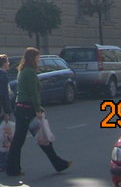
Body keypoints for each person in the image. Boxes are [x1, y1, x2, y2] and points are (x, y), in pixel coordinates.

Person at [5, 47, 71, 177]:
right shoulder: (29, 72)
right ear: (32, 58)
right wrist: (37, 109)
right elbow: (33, 93)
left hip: (22, 108)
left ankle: (58, 164)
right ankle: (12, 169)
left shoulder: (23, 71)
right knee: (24, 139)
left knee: (41, 137)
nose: (38, 60)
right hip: (27, 109)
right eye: (37, 57)